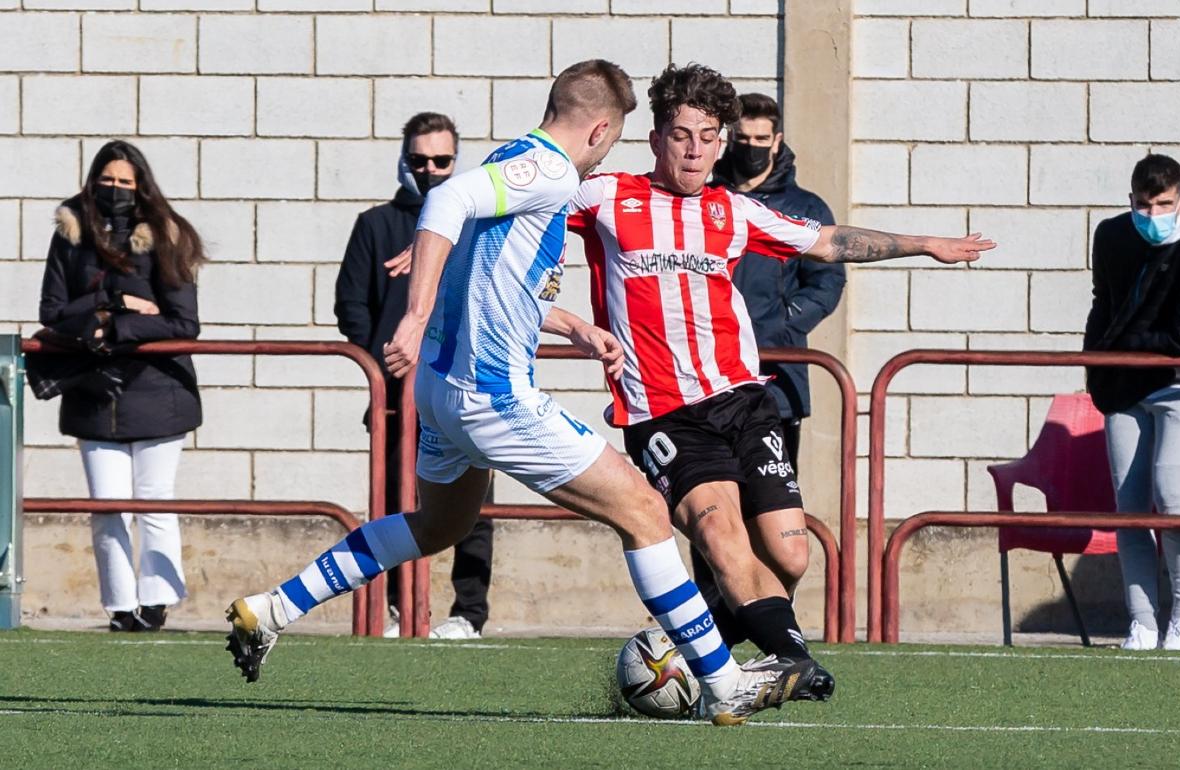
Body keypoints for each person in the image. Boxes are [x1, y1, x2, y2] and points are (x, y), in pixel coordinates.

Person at [226, 59, 827, 726]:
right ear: (600, 127)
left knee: (439, 526)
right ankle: (723, 682)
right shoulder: (548, 169)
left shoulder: (514, 163)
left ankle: (271, 609)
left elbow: (495, 275)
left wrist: (571, 322)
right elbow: (446, 201)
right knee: (644, 514)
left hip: (441, 392)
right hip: (493, 395)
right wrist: (416, 311)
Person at [563, 63, 994, 660]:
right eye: (682, 135)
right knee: (721, 535)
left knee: (791, 553)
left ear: (722, 143)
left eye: (708, 137)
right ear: (657, 138)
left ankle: (690, 652)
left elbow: (826, 242)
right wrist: (443, 234)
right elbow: (521, 201)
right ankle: (793, 663)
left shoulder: (732, 211)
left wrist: (922, 244)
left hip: (744, 400)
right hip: (666, 413)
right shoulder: (606, 195)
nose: (694, 152)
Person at [334, 111, 493, 640]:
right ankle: (401, 607)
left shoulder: (476, 222)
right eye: (420, 160)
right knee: (398, 502)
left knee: (473, 507)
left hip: (465, 389)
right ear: (404, 161)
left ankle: (468, 612)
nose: (431, 170)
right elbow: (351, 307)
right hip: (397, 402)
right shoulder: (376, 224)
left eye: (442, 160)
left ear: (457, 160)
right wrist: (390, 363)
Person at [37, 140, 205, 632]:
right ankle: (118, 605)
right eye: (106, 181)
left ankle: (157, 601)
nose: (115, 190)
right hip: (92, 387)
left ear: (142, 186)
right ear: (93, 182)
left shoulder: (167, 235)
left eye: (125, 182)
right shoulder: (70, 234)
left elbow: (183, 324)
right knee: (107, 506)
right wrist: (119, 304)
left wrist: (118, 326)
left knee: (154, 500)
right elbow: (51, 312)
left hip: (158, 390)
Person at [697, 92, 845, 631]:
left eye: (763, 141)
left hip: (775, 384)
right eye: (743, 140)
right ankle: (708, 618)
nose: (752, 149)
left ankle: (767, 620)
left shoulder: (805, 208)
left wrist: (778, 324)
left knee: (772, 514)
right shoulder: (706, 197)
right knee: (710, 509)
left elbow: (828, 281)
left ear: (778, 141)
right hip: (705, 381)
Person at [1083, 154, 1180, 652]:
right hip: (1123, 386)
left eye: (1163, 204)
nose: (1153, 214)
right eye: (1144, 205)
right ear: (1131, 201)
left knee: (1172, 494)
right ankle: (1142, 622)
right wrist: (1097, 366)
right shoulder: (1111, 235)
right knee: (1129, 508)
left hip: (1179, 381)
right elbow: (1103, 301)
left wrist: (1119, 346)